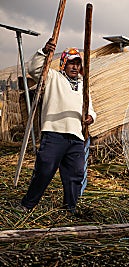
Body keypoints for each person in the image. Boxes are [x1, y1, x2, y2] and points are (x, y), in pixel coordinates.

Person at [19, 38, 96, 214]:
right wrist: (44, 51)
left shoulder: (84, 86)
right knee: (44, 170)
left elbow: (90, 107)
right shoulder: (53, 77)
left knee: (75, 174)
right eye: (71, 63)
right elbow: (34, 69)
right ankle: (27, 205)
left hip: (76, 136)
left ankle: (70, 208)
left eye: (78, 64)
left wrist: (91, 117)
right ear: (64, 64)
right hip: (54, 133)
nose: (75, 67)